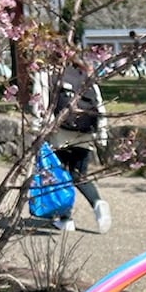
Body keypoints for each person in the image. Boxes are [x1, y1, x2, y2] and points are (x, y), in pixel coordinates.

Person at [32, 57, 112, 234]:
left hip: (59, 133)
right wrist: (102, 134)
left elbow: (40, 104)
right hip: (85, 132)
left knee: (58, 175)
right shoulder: (84, 74)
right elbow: (99, 106)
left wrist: (38, 130)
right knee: (79, 175)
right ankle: (97, 203)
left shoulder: (46, 74)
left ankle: (65, 219)